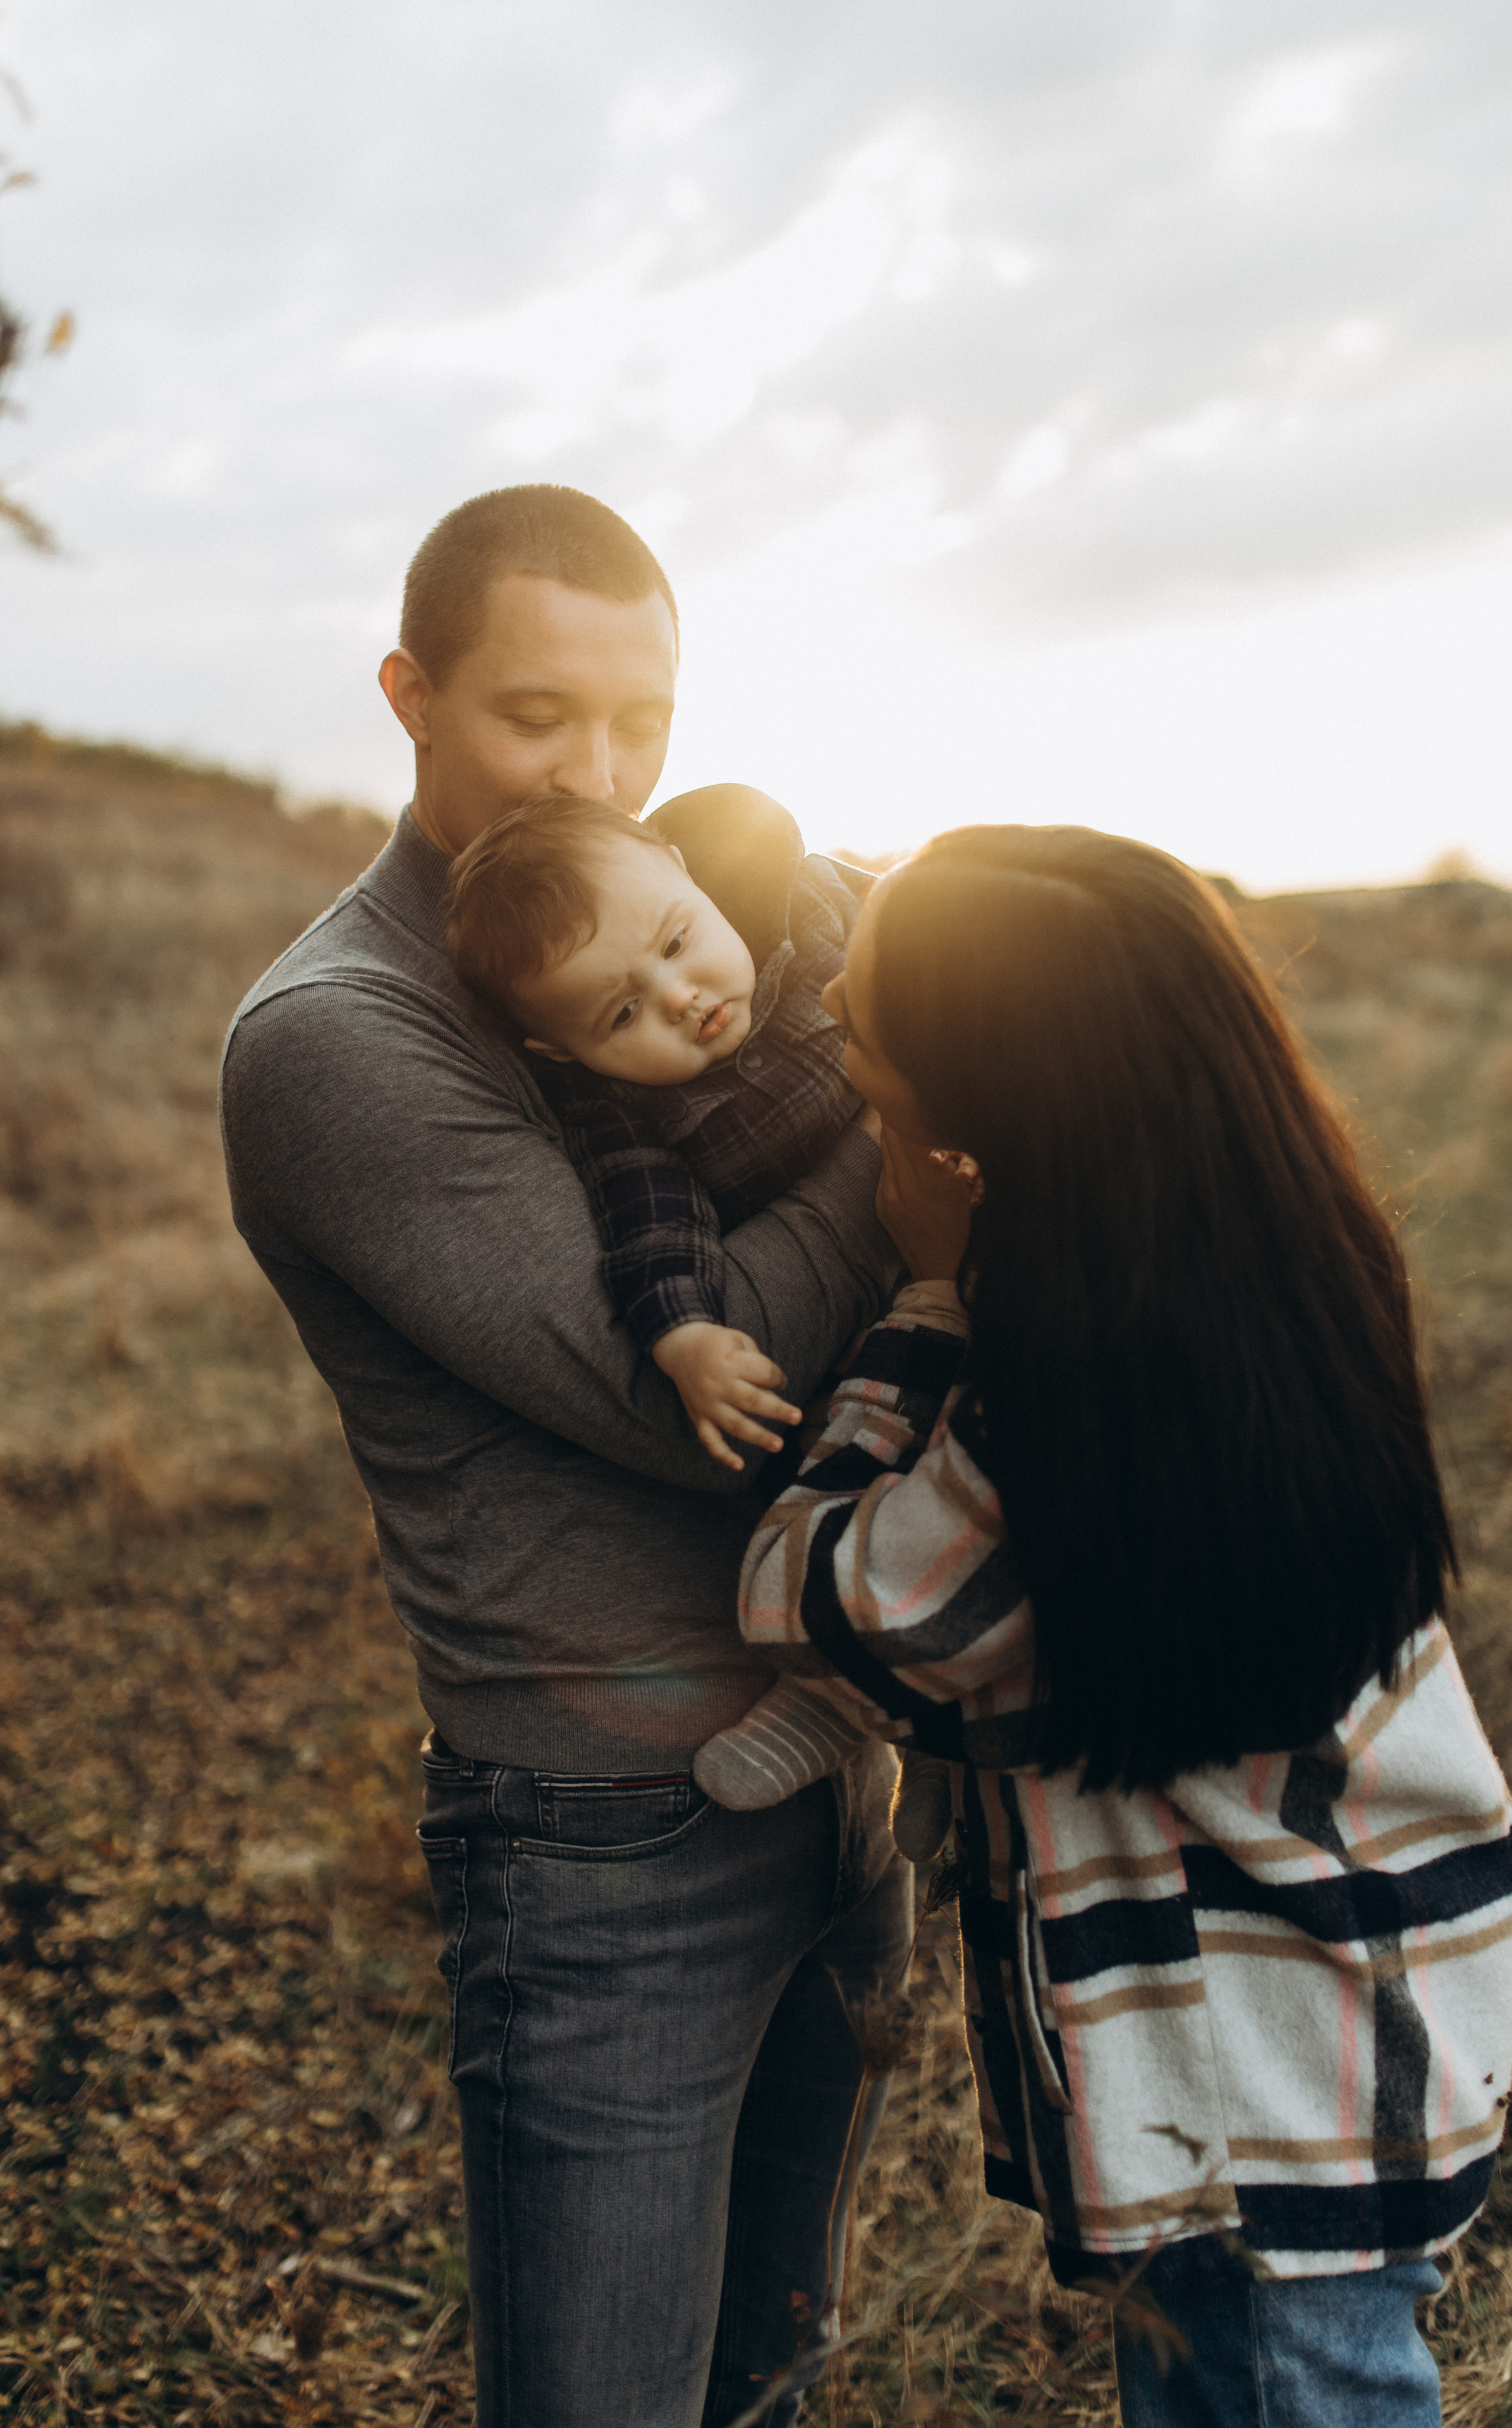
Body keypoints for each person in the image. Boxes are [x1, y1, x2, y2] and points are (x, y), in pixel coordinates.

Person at [219, 484, 913, 2428]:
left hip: (838, 1757)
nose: (602, 778)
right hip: (609, 1848)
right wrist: (902, 1080)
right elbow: (729, 1389)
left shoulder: (700, 914)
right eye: (540, 719)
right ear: (409, 695)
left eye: (646, 726)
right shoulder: (340, 1038)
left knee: (775, 2378)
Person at [727, 823, 1512, 2426]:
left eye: (864, 1019)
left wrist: (929, 1301)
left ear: (994, 1095)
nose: (830, 1019)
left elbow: (808, 1591)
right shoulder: (1249, 1294)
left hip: (1256, 2101)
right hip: (1334, 2035)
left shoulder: (1059, 1411)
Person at [443, 785, 953, 1842]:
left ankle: (964, 1701)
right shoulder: (622, 1109)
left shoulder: (816, 918)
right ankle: (856, 1695)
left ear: (686, 871)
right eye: (622, 1013)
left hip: (979, 1230)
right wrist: (684, 1337)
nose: (682, 997)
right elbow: (651, 1221)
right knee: (835, 1470)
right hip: (854, 1331)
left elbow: (945, 948)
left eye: (677, 940)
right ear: (562, 1054)